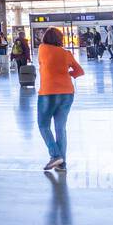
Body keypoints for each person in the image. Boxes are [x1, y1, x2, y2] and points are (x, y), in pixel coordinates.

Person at [36, 27, 84, 171]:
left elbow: (42, 64)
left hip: (48, 93)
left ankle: (55, 155)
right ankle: (62, 163)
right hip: (67, 93)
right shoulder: (66, 53)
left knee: (43, 125)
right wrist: (68, 74)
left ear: (45, 38)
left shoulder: (42, 49)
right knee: (60, 128)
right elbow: (80, 71)